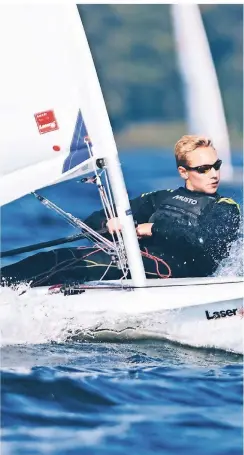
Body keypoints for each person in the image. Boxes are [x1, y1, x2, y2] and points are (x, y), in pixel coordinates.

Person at [1, 135, 240, 286]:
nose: (214, 174)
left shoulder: (225, 207)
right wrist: (109, 224)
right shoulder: (160, 198)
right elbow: (94, 220)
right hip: (139, 264)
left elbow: (204, 241)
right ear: (183, 172)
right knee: (53, 259)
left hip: (175, 274)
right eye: (203, 168)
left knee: (64, 263)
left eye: (216, 166)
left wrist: (152, 228)